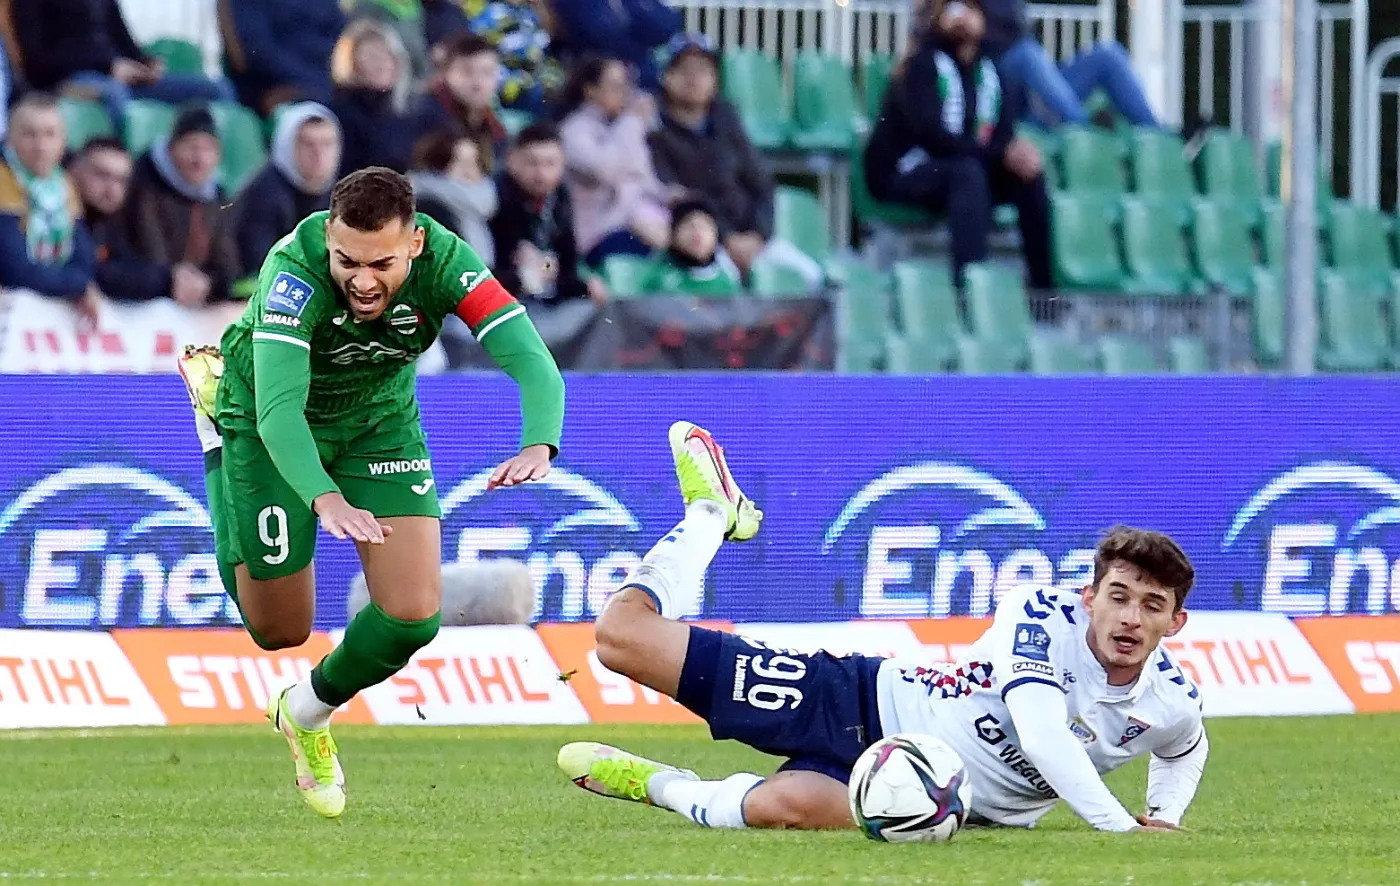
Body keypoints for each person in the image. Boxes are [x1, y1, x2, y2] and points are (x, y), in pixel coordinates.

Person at [556, 423, 1207, 834]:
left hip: (944, 801)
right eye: (1117, 597)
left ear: (1175, 624)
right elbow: (1042, 734)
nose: (1129, 617)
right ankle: (711, 513)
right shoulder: (1038, 614)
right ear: (1087, 597)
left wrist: (1167, 817)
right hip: (863, 699)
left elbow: (1185, 746)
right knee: (622, 639)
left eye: (1152, 607)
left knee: (785, 808)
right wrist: (1124, 831)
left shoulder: (1170, 699)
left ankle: (663, 787)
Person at [175, 166, 565, 819]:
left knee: (414, 616)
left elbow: (530, 358)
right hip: (267, 421)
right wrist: (324, 498)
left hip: (380, 425)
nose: (361, 279)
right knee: (278, 630)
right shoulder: (291, 276)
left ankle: (305, 711)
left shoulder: (448, 262)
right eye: (346, 260)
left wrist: (538, 443)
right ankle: (214, 438)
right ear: (328, 235)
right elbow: (278, 411)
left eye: (380, 262)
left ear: (414, 244)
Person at [863, 0, 1051, 291]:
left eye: (971, 9)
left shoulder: (992, 72)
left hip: (962, 169)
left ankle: (1045, 294)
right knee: (968, 175)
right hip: (904, 171)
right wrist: (1000, 153)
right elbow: (934, 138)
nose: (962, 17)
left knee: (1027, 176)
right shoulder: (922, 65)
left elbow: (1001, 136)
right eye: (954, 9)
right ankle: (969, 292)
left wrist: (1014, 154)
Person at [648, 34, 822, 287]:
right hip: (701, 243)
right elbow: (678, 196)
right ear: (667, 77)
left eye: (703, 71)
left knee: (810, 277)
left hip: (752, 237)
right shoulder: (655, 128)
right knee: (723, 283)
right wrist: (726, 237)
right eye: (684, 70)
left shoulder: (727, 118)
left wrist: (758, 235)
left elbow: (762, 185)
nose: (694, 79)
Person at [11, 0, 236, 128]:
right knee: (115, 94)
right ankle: (122, 174)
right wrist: (107, 66)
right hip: (72, 81)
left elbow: (122, 37)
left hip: (123, 76)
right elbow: (37, 59)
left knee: (217, 89)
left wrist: (146, 63)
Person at [558, 55, 675, 267]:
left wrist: (671, 196)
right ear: (590, 90)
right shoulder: (573, 131)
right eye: (616, 86)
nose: (625, 93)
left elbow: (643, 181)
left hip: (637, 223)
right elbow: (605, 170)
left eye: (626, 85)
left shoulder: (623, 126)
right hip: (598, 235)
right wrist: (631, 121)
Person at [122, 104, 241, 306]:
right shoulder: (143, 185)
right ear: (172, 147)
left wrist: (210, 284)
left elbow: (229, 264)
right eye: (192, 147)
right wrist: (171, 278)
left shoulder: (217, 196)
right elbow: (149, 251)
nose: (200, 159)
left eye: (208, 149)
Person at [976, 0, 1158, 129]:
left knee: (1108, 54)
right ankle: (1083, 131)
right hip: (1000, 84)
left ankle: (1160, 138)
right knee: (1026, 54)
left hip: (1038, 87)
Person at [0, 92, 97, 310]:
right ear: (10, 138)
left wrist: (79, 283)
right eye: (29, 135)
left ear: (63, 142)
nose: (40, 146)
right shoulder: (3, 179)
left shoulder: (64, 184)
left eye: (50, 134)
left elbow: (84, 260)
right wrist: (77, 285)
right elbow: (15, 270)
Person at [490, 122, 607, 303]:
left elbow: (566, 266)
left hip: (545, 297)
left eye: (550, 163)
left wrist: (584, 286)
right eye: (532, 163)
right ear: (512, 161)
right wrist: (529, 274)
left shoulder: (560, 198)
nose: (541, 173)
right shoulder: (494, 199)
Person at [229, 103, 343, 275]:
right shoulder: (262, 196)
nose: (318, 154)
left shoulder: (341, 195)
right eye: (307, 144)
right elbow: (262, 265)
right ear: (286, 145)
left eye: (327, 144)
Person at [68, 137, 170, 303]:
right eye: (102, 175)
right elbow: (90, 271)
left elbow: (136, 268)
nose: (112, 189)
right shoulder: (57, 213)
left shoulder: (118, 220)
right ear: (74, 170)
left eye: (121, 180)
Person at [639, 198, 741, 296]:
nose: (697, 234)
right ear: (673, 234)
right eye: (689, 226)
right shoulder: (660, 278)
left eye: (704, 226)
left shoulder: (729, 276)